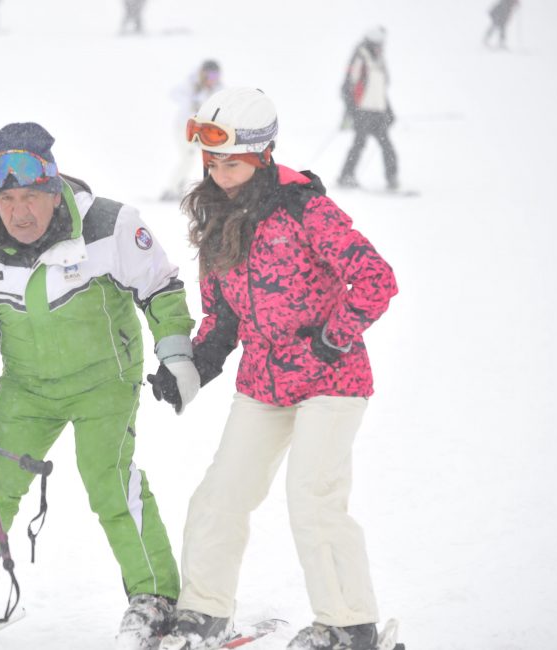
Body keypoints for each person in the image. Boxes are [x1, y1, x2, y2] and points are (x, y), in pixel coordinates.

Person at [0, 122, 200, 649]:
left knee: (108, 480)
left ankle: (154, 597)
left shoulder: (108, 224)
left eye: (31, 195)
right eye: (6, 198)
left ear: (54, 189)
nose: (19, 210)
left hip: (105, 378)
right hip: (28, 387)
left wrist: (175, 353)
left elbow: (161, 287)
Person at [147, 87, 398, 650]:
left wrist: (331, 340)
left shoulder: (304, 207)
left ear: (262, 154)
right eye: (209, 159)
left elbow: (377, 279)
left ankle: (348, 624)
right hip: (263, 383)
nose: (215, 169)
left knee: (312, 497)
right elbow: (222, 318)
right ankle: (203, 614)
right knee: (218, 497)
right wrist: (192, 365)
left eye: (228, 159)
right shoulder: (216, 216)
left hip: (331, 381)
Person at [337, 26, 399, 191]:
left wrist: (389, 111)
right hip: (363, 111)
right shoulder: (361, 57)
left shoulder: (380, 61)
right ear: (371, 44)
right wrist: (352, 110)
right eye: (378, 45)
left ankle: (392, 178)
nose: (380, 48)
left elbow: (381, 91)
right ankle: (346, 176)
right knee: (359, 144)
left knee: (386, 146)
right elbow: (348, 86)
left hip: (378, 112)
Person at [161, 59, 222, 201]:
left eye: (216, 76)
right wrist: (191, 101)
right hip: (183, 127)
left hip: (199, 130)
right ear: (203, 74)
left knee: (190, 159)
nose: (213, 80)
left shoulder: (217, 90)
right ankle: (171, 188)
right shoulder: (192, 84)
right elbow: (173, 93)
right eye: (210, 76)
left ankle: (178, 184)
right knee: (187, 158)